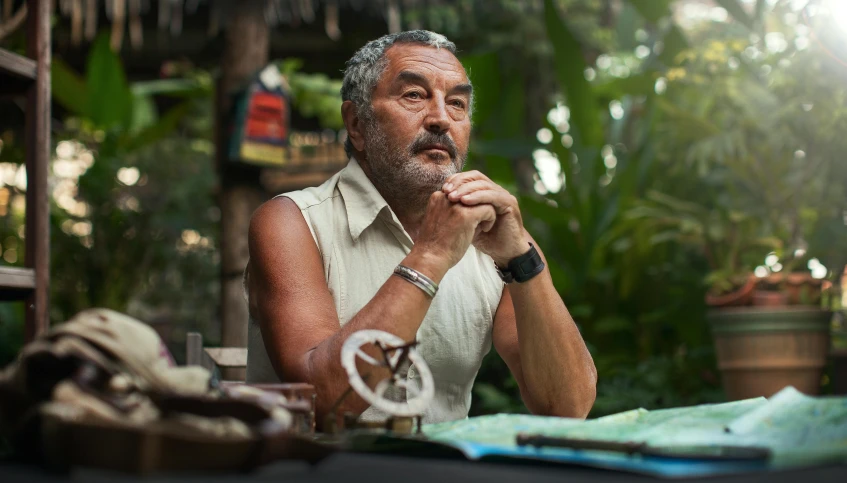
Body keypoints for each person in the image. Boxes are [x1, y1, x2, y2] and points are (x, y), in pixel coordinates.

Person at [245, 30, 596, 425]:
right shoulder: (292, 222)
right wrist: (431, 255)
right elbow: (323, 399)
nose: (441, 118)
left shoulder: (496, 238)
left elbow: (567, 407)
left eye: (458, 103)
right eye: (414, 95)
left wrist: (522, 260)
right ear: (357, 124)